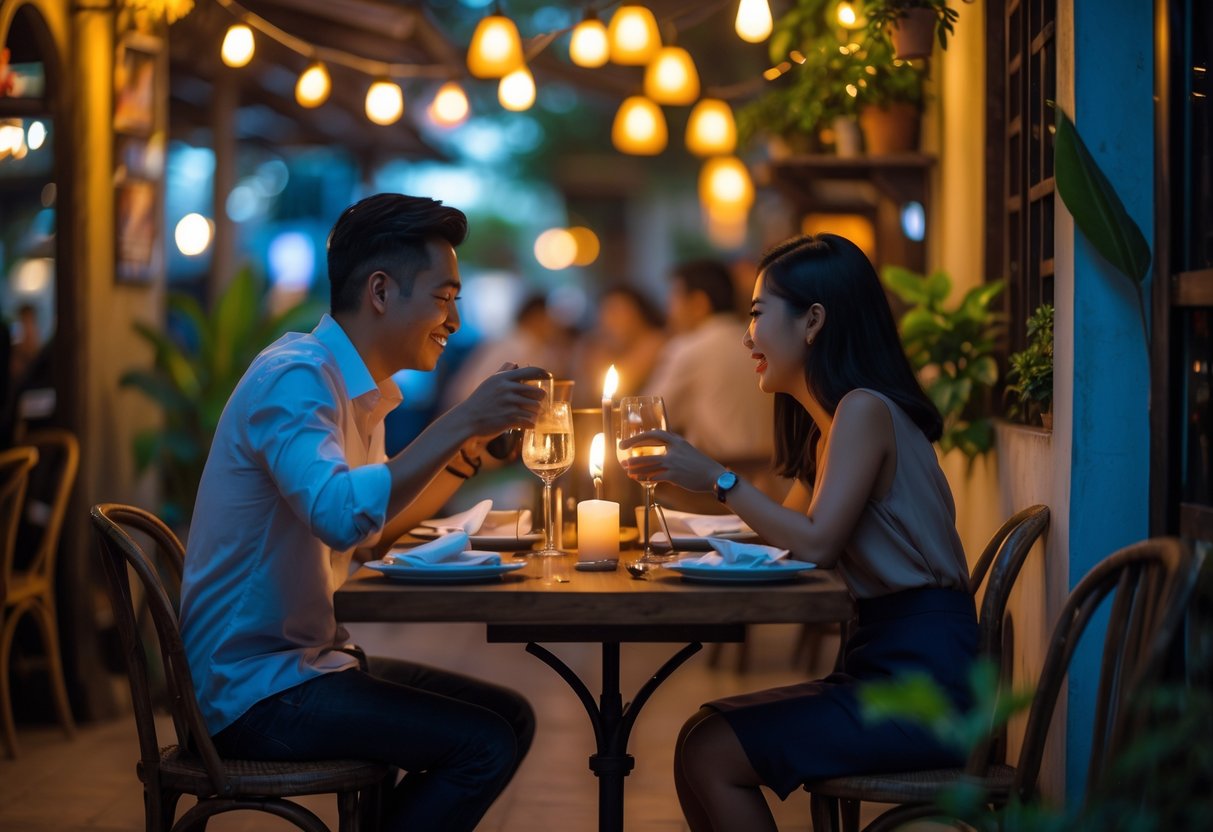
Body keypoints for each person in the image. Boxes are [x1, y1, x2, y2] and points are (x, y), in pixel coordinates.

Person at [178, 194, 548, 832]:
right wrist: (462, 417)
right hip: (252, 690)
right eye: (444, 297)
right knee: (481, 743)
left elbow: (372, 526)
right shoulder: (294, 377)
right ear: (381, 290)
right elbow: (341, 516)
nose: (454, 321)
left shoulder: (356, 390)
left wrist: (464, 456)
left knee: (508, 719)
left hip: (304, 663)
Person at [620, 234, 977, 832]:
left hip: (922, 687)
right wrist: (675, 507)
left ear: (813, 320)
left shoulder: (865, 411)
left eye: (757, 314)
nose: (746, 335)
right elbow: (778, 535)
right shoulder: (832, 427)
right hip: (887, 662)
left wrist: (718, 477)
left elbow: (814, 543)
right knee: (702, 740)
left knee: (710, 749)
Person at [642, 259, 776, 503]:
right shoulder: (761, 343)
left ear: (698, 304)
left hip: (713, 491)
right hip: (775, 484)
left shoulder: (689, 348)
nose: (669, 310)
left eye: (674, 298)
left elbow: (648, 420)